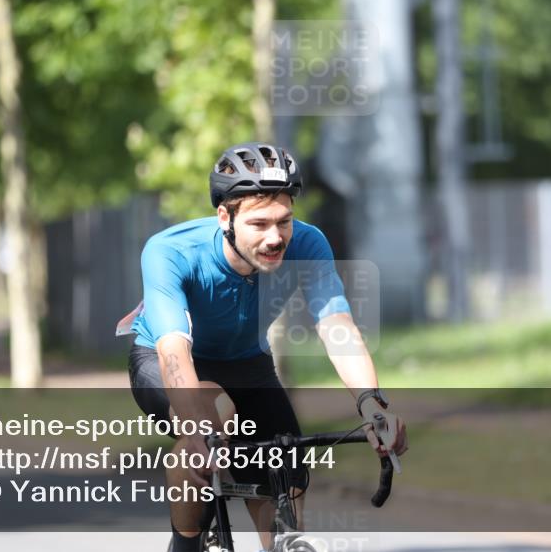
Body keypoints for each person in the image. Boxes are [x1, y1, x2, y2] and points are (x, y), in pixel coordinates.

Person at [127, 142, 408, 552]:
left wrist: (371, 403)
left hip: (247, 364)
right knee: (210, 418)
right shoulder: (171, 252)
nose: (276, 238)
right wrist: (198, 431)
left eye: (284, 221)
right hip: (166, 360)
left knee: (287, 464)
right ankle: (185, 545)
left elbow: (337, 328)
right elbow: (174, 352)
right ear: (225, 217)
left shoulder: (309, 245)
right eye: (259, 224)